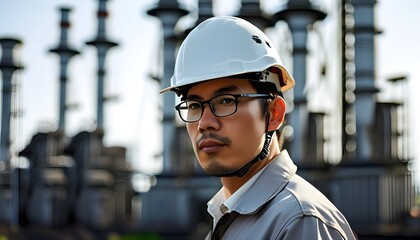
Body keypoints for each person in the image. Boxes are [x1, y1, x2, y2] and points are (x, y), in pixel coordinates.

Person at [160, 16, 356, 240]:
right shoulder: (227, 214)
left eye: (225, 101)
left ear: (274, 114)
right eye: (194, 105)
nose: (204, 123)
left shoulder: (300, 221)